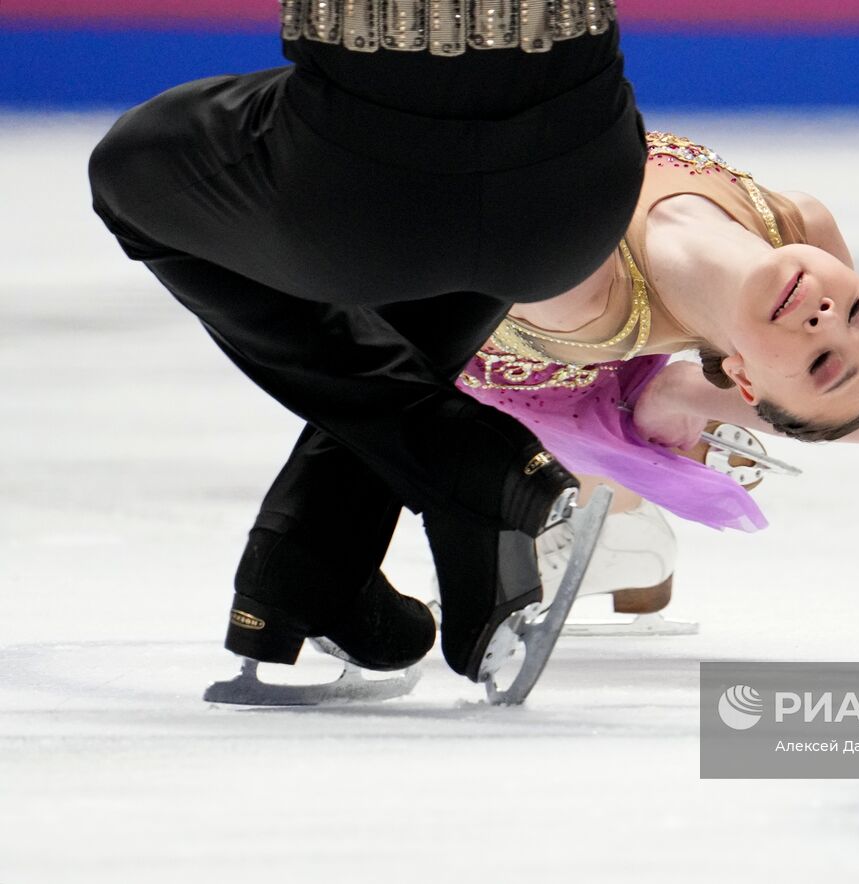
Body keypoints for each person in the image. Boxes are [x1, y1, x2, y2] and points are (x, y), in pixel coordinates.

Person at [87, 1, 649, 686]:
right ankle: (311, 563)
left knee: (128, 172)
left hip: (360, 204)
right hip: (573, 203)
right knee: (470, 213)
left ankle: (465, 460)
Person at [256, 130, 859, 628]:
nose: (830, 321)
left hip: (489, 358)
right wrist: (707, 396)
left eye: (823, 362)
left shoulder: (577, 291)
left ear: (745, 375)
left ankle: (609, 503)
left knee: (558, 425)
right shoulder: (801, 222)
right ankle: (631, 480)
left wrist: (699, 396)